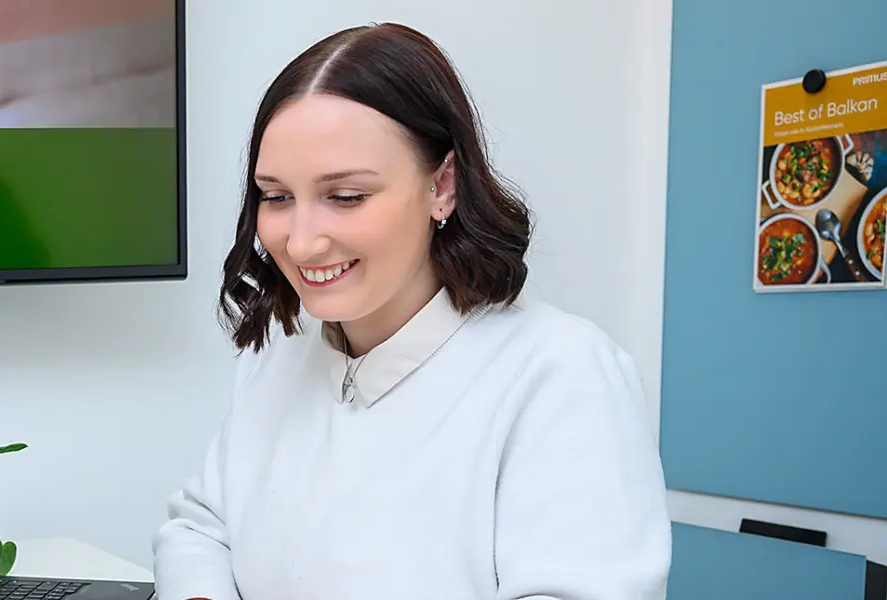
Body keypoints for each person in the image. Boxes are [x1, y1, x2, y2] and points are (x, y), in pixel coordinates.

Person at [152, 23, 671, 599]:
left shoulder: (559, 374)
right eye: (276, 197)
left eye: (346, 197)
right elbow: (201, 530)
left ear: (442, 186)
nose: (300, 243)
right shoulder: (278, 357)